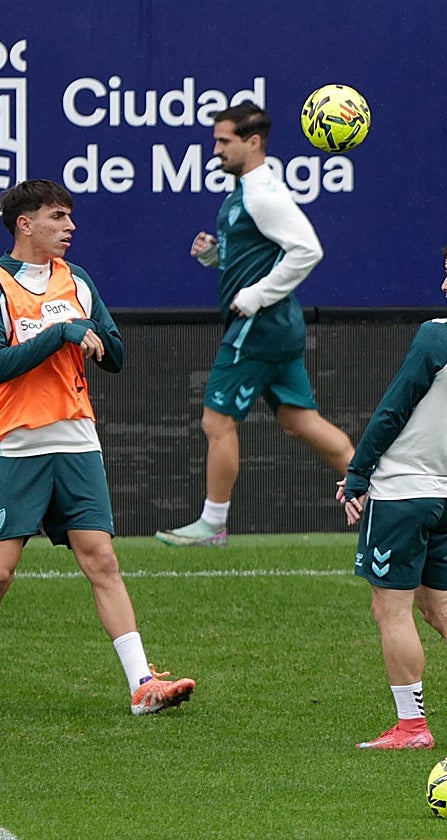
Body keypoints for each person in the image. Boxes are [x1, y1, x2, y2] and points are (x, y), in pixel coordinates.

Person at [0, 179, 195, 716]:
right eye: (57, 216)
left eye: (69, 217)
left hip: (77, 441)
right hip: (15, 445)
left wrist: (91, 337)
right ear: (25, 224)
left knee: (102, 560)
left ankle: (142, 685)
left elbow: (116, 355)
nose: (70, 226)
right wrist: (63, 333)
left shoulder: (77, 280)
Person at [339, 230, 447, 749]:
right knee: (443, 606)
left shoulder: (439, 335)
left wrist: (358, 473)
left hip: (402, 492)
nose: (443, 286)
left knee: (390, 609)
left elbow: (393, 409)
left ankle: (412, 726)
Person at [155, 102, 354, 547]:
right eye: (216, 141)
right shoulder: (243, 193)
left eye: (224, 141)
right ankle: (383, 497)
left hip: (258, 326)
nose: (216, 150)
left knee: (216, 422)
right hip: (276, 325)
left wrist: (258, 295)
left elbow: (307, 250)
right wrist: (216, 257)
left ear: (253, 142)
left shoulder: (262, 194)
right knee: (301, 422)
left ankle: (212, 525)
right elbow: (255, 258)